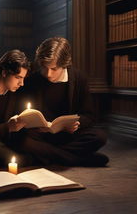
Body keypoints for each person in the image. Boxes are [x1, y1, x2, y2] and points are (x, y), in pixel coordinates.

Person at [14, 37, 109, 166]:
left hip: (69, 135)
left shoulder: (78, 79)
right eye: (44, 67)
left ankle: (48, 156)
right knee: (19, 138)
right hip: (42, 136)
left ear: (64, 64)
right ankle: (76, 159)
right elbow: (22, 112)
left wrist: (77, 124)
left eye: (54, 69)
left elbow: (90, 116)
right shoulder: (33, 80)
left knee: (99, 136)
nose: (48, 74)